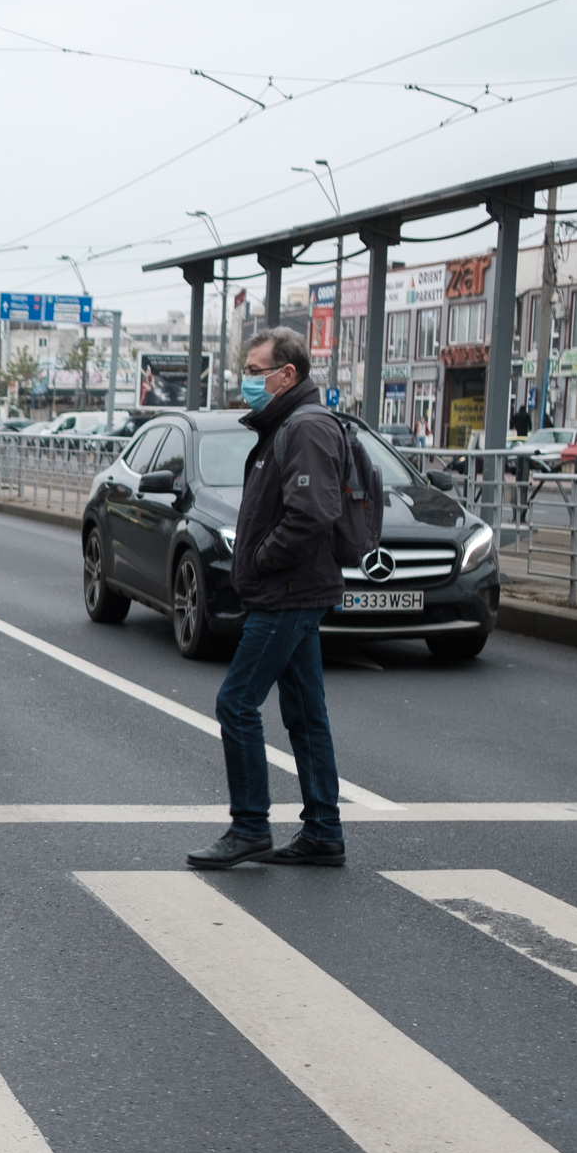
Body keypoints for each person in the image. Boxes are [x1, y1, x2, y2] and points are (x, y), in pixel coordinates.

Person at [188, 326, 348, 871]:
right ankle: (324, 831)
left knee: (235, 702)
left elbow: (312, 514)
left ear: (288, 375)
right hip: (294, 590)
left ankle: (251, 825)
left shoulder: (304, 427)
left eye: (256, 372)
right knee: (305, 714)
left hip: (288, 593)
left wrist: (259, 560)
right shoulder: (285, 423)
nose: (246, 381)